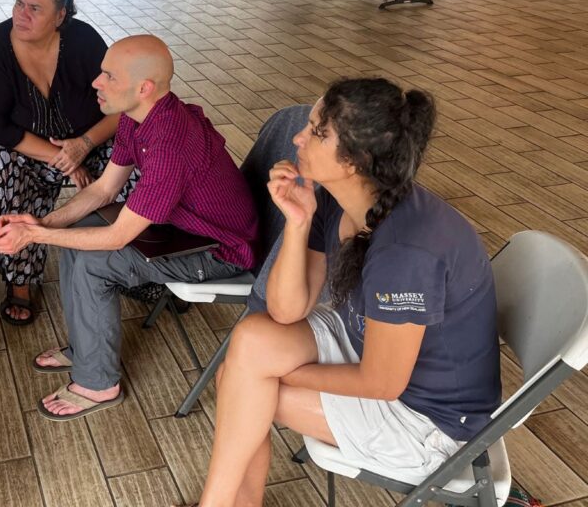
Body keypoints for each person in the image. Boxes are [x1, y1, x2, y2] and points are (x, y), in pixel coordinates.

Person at [185, 78, 501, 507]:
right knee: (251, 346)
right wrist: (297, 224)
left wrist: (273, 373)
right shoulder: (339, 198)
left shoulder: (406, 251)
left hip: (426, 423)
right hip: (366, 345)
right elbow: (285, 310)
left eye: (317, 131)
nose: (298, 135)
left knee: (244, 384)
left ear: (354, 160)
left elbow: (381, 383)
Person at [0, 35, 259, 420]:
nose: (96, 83)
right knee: (77, 232)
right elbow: (103, 189)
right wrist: (43, 223)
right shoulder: (138, 117)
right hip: (183, 227)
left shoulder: (171, 142)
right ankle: (86, 347)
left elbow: (117, 237)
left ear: (143, 88)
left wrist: (35, 236)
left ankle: (98, 383)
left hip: (218, 250)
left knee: (94, 262)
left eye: (108, 76)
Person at [0, 0, 137, 326]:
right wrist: (65, 157)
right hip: (28, 151)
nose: (20, 13)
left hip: (90, 142)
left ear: (61, 15)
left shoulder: (83, 41)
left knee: (140, 155)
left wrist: (85, 144)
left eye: (35, 8)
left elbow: (124, 106)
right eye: (18, 2)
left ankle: (135, 262)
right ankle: (21, 279)